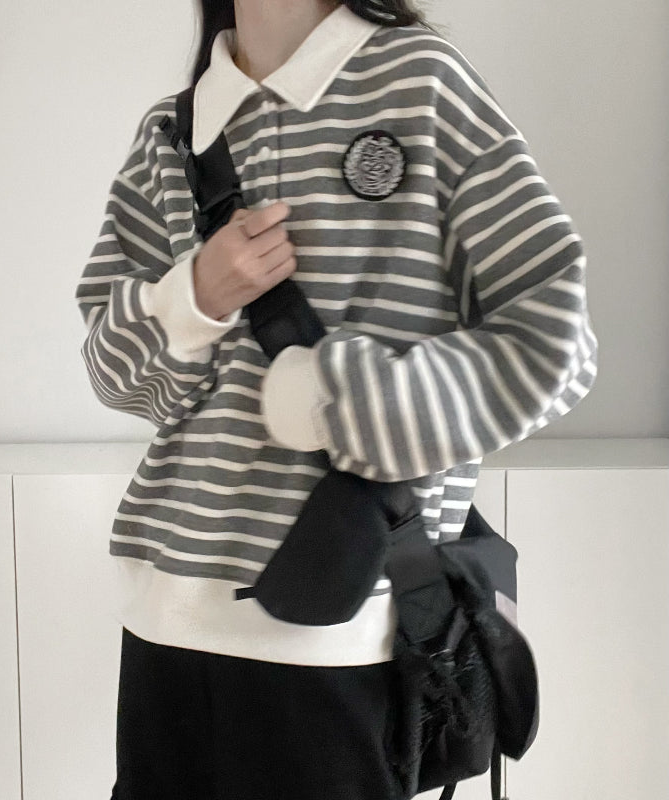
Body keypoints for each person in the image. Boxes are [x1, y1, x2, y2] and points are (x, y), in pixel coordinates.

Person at [74, 1, 598, 798]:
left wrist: (341, 401)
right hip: (166, 621)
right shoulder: (173, 134)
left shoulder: (421, 83)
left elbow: (554, 340)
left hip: (341, 629)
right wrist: (194, 297)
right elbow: (115, 377)